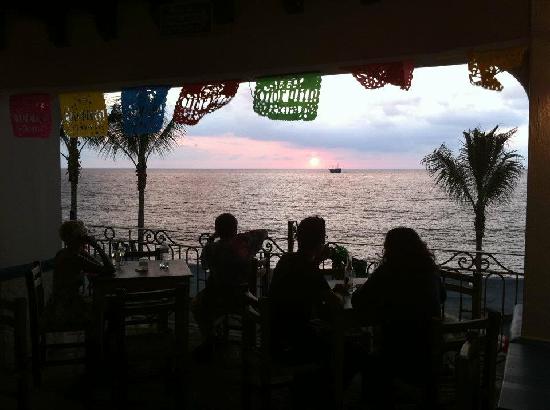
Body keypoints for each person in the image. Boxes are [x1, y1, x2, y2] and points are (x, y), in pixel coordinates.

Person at [351, 227, 444, 408]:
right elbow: (443, 297)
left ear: (390, 249)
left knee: (360, 353)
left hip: (397, 355)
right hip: (430, 353)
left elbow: (358, 300)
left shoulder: (389, 270)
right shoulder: (431, 270)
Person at [192, 213, 267, 358]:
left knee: (195, 306)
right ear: (235, 229)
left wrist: (213, 238)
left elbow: (204, 266)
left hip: (214, 297)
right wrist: (241, 236)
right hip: (241, 298)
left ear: (217, 230)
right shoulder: (245, 245)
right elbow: (263, 232)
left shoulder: (211, 248)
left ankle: (209, 339)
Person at [269, 216, 341, 363]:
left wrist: (316, 260)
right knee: (350, 350)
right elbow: (335, 303)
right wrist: (338, 293)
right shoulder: (309, 270)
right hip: (294, 344)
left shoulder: (286, 260)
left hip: (277, 337)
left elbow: (303, 279)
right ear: (320, 241)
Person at [43, 220, 115, 329]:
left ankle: (98, 340)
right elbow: (110, 269)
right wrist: (97, 247)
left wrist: (84, 250)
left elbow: (98, 266)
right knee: (109, 307)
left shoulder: (65, 252)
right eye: (84, 235)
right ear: (78, 238)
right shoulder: (73, 257)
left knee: (104, 305)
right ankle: (99, 342)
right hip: (65, 310)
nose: (86, 237)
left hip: (57, 304)